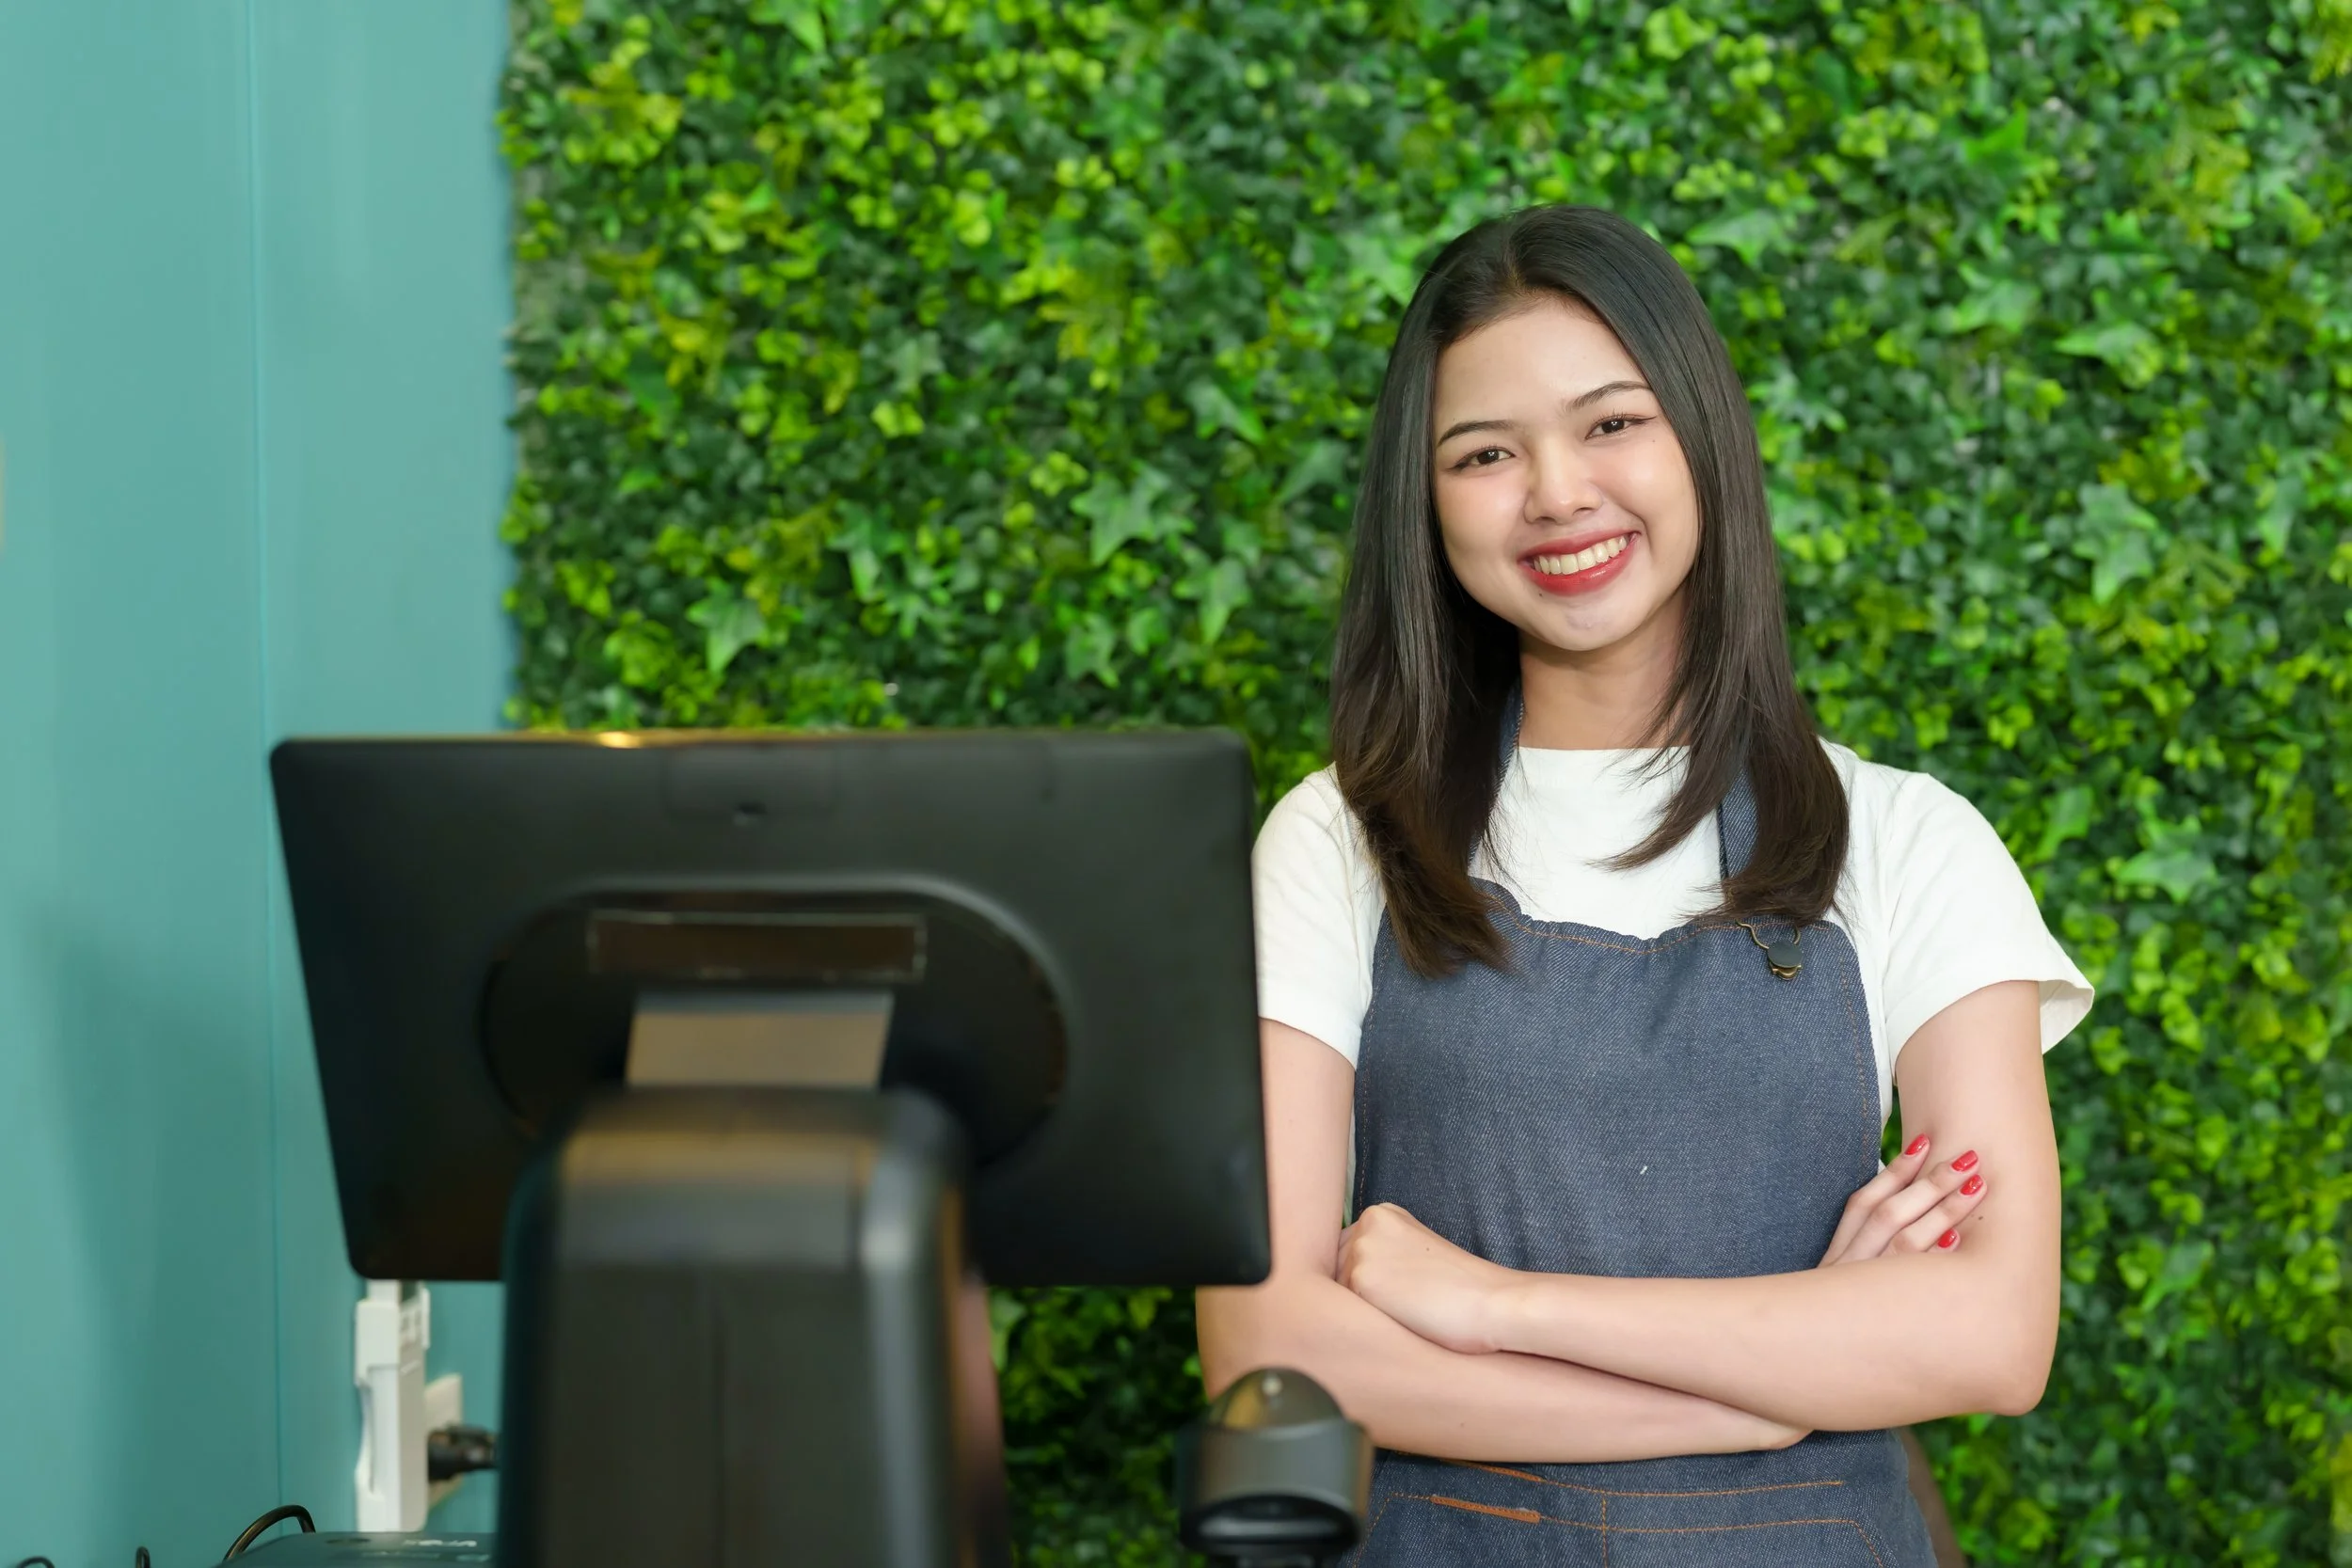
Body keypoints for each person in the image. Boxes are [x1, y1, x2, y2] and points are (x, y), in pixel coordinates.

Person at [1195, 204, 2094, 1567]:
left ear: (1702, 436)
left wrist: (1491, 1301)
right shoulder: (1334, 838)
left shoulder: (1908, 840)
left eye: (1611, 423)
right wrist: (1773, 1394)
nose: (1557, 491)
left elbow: (1992, 1331)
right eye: (1485, 453)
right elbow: (1273, 1357)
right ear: (1427, 508)